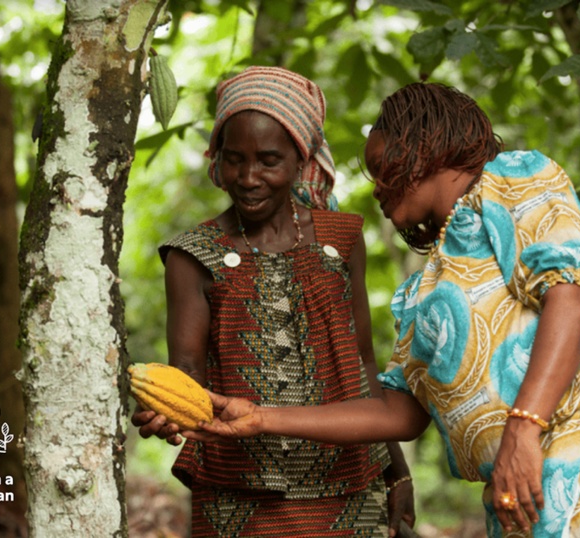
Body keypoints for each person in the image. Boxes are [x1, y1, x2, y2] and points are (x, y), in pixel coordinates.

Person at [187, 83, 580, 538]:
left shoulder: (513, 180)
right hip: (515, 480)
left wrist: (523, 428)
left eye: (380, 166)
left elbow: (574, 291)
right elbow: (399, 411)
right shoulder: (428, 288)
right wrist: (261, 417)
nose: (375, 189)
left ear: (421, 147)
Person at [131, 66, 416, 538]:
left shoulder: (342, 239)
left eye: (268, 160)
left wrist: (396, 471)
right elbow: (187, 378)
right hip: (238, 498)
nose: (248, 177)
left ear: (301, 159)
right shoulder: (193, 255)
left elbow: (364, 364)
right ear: (216, 160)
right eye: (233, 158)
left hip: (348, 486)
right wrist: (166, 411)